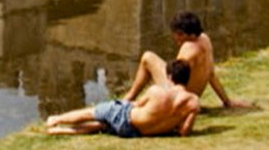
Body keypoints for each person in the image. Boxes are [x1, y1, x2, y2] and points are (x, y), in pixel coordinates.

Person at [123, 10, 255, 110]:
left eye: (178, 35)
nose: (176, 38)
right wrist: (227, 101)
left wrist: (155, 95)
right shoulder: (205, 40)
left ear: (185, 34)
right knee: (155, 64)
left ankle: (128, 100)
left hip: (180, 96)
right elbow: (211, 75)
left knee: (147, 57)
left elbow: (175, 79)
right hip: (193, 95)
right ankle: (130, 99)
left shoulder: (188, 48)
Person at [46, 58, 200, 137]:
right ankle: (62, 131)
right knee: (101, 125)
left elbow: (138, 105)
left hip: (126, 119)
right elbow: (184, 132)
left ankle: (56, 120)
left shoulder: (157, 91)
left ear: (170, 76)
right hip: (136, 133)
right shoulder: (193, 103)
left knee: (93, 112)